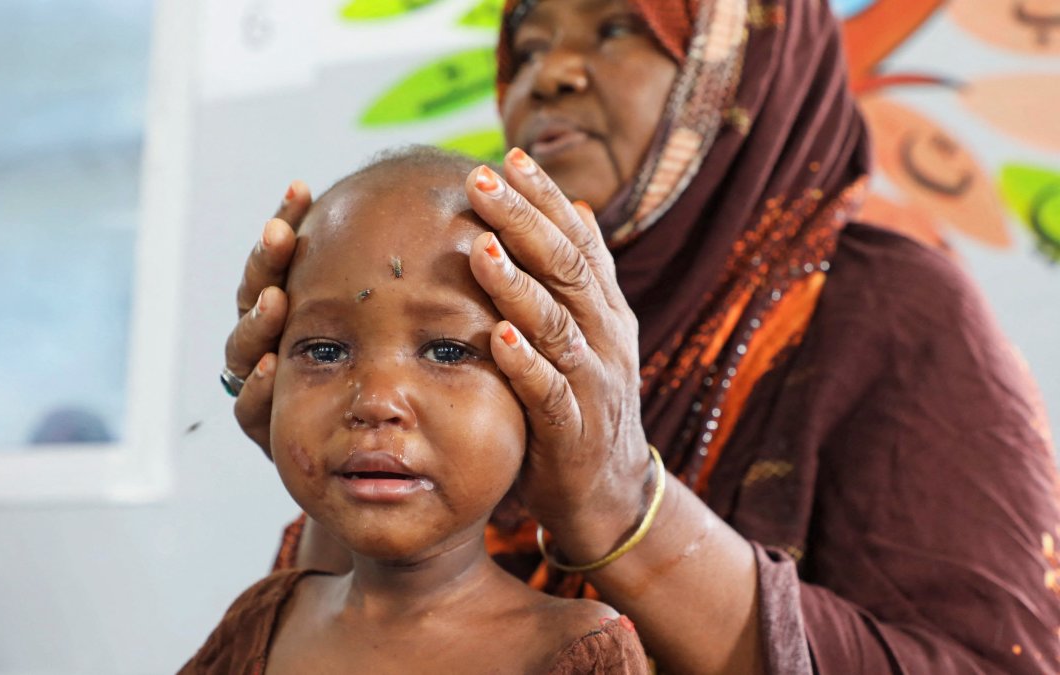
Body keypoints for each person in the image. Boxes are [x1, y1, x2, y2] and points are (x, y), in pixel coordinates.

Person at [221, 0, 1060, 672]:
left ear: (741, 61)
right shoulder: (491, 293)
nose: (548, 77)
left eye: (618, 26)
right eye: (529, 43)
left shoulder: (890, 306)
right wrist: (328, 460)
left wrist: (618, 499)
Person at [186, 148, 649, 674]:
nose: (375, 402)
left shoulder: (574, 654)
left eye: (448, 352)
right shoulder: (259, 624)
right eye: (324, 351)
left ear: (540, 395)